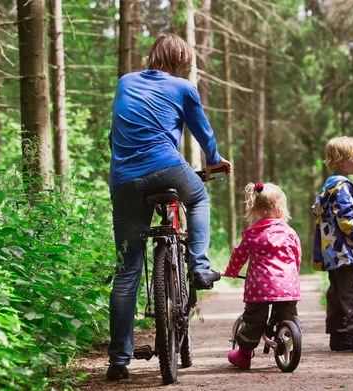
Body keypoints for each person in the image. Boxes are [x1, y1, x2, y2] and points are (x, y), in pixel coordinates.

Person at [106, 33, 231, 381]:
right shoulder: (183, 88)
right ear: (181, 62)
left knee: (127, 271)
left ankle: (118, 360)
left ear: (152, 55)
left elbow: (119, 128)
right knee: (199, 197)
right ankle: (199, 267)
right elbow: (204, 136)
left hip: (124, 180)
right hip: (166, 167)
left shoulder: (126, 81)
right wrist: (216, 161)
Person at [222, 182, 302, 370]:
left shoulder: (252, 234)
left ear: (256, 208)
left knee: (253, 321)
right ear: (282, 207)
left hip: (259, 287)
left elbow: (238, 254)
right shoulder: (290, 233)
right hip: (287, 285)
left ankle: (244, 355)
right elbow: (296, 256)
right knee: (289, 318)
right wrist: (293, 274)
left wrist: (231, 271)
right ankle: (290, 342)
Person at [312, 136, 353, 353]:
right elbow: (347, 221)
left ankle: (339, 337)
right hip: (346, 252)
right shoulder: (342, 187)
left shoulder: (329, 185)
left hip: (333, 252)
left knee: (338, 294)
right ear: (341, 160)